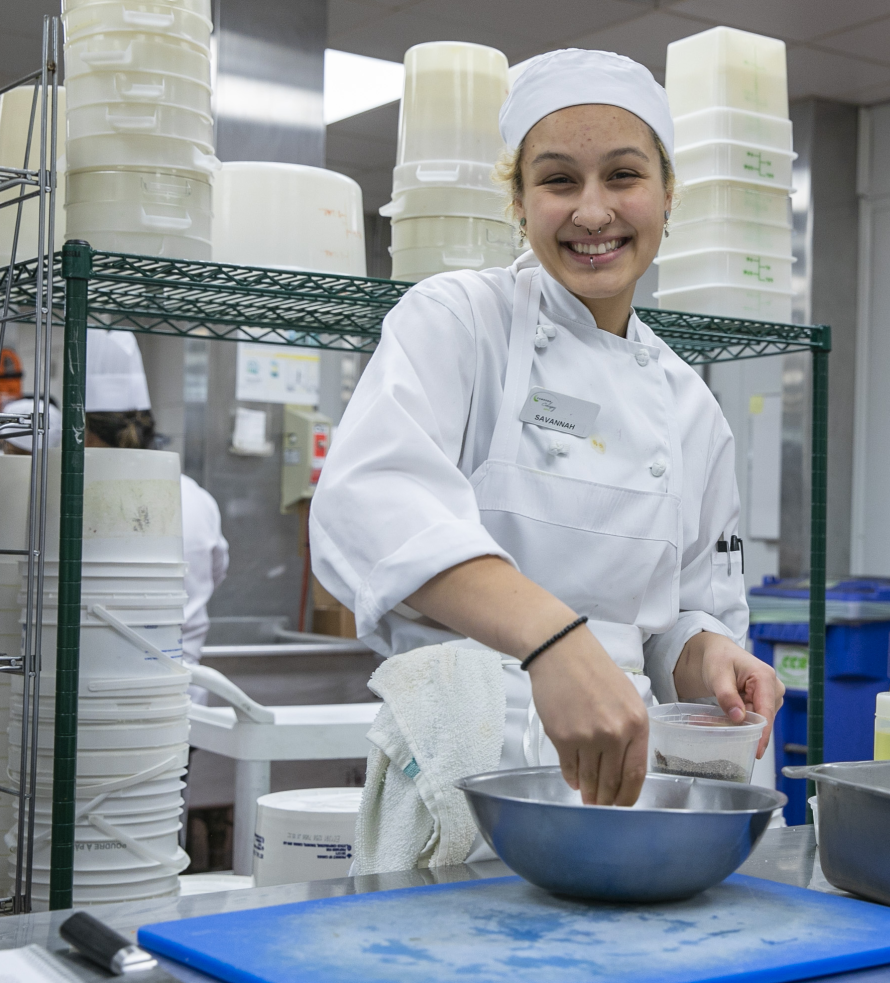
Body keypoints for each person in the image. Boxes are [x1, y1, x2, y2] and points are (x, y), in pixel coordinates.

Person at [311, 48, 784, 810]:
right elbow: (369, 503)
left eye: (624, 176)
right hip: (455, 776)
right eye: (559, 179)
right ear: (520, 202)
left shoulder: (692, 406)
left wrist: (712, 657)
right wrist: (554, 641)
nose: (592, 212)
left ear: (668, 196)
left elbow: (676, 618)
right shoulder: (460, 320)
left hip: (623, 783)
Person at [82, 329, 229, 665]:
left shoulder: (77, 497)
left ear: (87, 434)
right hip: (184, 686)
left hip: (95, 682)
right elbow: (216, 571)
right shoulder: (195, 495)